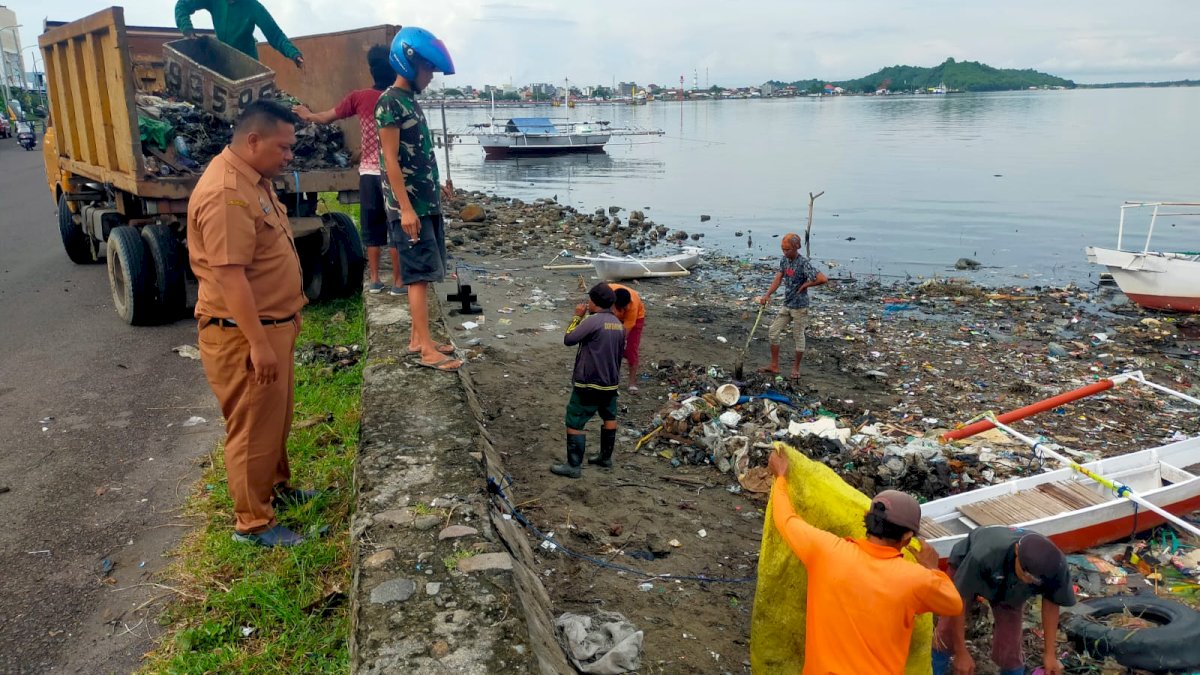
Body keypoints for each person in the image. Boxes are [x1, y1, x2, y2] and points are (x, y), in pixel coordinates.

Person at [187, 100, 317, 547]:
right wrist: (259, 344)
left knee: (274, 420)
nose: (289, 156)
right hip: (245, 333)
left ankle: (275, 489)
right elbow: (230, 276)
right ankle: (253, 523)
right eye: (283, 147)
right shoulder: (227, 193)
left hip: (272, 325)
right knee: (251, 429)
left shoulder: (254, 181)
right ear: (253, 140)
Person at [768, 447, 964, 673]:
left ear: (867, 519)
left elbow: (785, 518)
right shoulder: (917, 580)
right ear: (907, 537)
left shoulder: (825, 551)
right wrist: (932, 567)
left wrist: (781, 477)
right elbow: (954, 604)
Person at [376, 26, 460, 371]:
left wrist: (436, 188)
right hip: (410, 208)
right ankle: (426, 350)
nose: (430, 75)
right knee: (418, 276)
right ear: (409, 62)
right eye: (427, 68)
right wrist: (406, 209)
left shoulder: (409, 101)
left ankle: (418, 338)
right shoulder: (389, 103)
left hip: (426, 203)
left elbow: (419, 156)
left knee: (426, 272)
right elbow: (390, 160)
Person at [293, 45, 402, 295]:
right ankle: (398, 283)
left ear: (371, 70)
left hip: (368, 175)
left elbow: (325, 118)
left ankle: (374, 280)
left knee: (372, 228)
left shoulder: (359, 98)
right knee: (395, 228)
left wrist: (306, 114)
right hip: (392, 174)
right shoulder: (397, 99)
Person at [932, 527, 1075, 675]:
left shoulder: (1056, 568)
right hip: (970, 565)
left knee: (1010, 647)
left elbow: (1051, 603)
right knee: (946, 634)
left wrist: (1050, 654)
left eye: (1034, 581)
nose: (1028, 581)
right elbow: (958, 601)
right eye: (1026, 575)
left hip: (1010, 586)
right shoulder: (983, 554)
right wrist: (961, 652)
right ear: (1017, 550)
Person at [553, 284, 626, 478]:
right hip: (611, 382)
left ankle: (573, 465)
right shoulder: (618, 324)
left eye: (590, 300)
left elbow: (569, 339)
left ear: (595, 302)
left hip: (589, 383)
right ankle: (605, 457)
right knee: (609, 417)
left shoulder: (593, 321)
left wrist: (577, 316)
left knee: (575, 420)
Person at [757, 233, 827, 381]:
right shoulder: (784, 260)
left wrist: (806, 285)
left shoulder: (803, 263)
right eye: (782, 249)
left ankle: (795, 368)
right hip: (787, 304)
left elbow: (822, 279)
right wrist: (767, 295)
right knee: (773, 331)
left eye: (787, 249)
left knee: (798, 336)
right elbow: (778, 278)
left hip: (800, 307)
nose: (784, 252)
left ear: (796, 248)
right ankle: (774, 365)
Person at [175, 0, 304, 67]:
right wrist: (188, 31)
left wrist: (293, 54)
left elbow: (275, 35)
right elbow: (182, 5)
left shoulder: (253, 6)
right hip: (223, 62)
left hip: (247, 66)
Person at [607, 283, 645, 392]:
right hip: (611, 315)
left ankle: (632, 383)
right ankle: (609, 379)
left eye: (626, 307)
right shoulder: (605, 293)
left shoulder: (633, 305)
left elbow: (625, 332)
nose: (625, 309)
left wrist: (618, 343)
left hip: (637, 318)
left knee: (631, 350)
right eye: (622, 308)